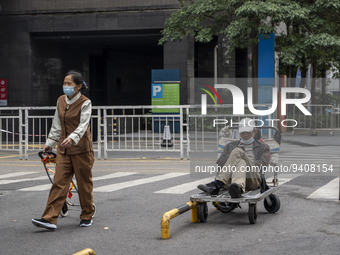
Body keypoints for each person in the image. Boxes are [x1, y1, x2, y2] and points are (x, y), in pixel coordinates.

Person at [32, 70, 95, 230]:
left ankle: (87, 214)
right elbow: (57, 123)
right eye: (64, 83)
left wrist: (72, 138)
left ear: (78, 86)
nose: (65, 86)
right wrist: (50, 143)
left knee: (84, 184)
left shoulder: (85, 102)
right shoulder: (61, 100)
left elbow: (83, 125)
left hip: (81, 150)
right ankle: (49, 219)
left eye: (69, 84)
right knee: (59, 183)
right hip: (63, 150)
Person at [197, 118, 271, 198]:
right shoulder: (230, 146)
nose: (245, 135)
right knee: (240, 161)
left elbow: (264, 164)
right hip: (231, 181)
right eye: (243, 132)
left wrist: (245, 158)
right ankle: (238, 188)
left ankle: (217, 183)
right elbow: (220, 162)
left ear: (254, 131)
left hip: (253, 179)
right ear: (239, 132)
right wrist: (234, 158)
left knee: (238, 152)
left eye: (248, 132)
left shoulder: (263, 146)